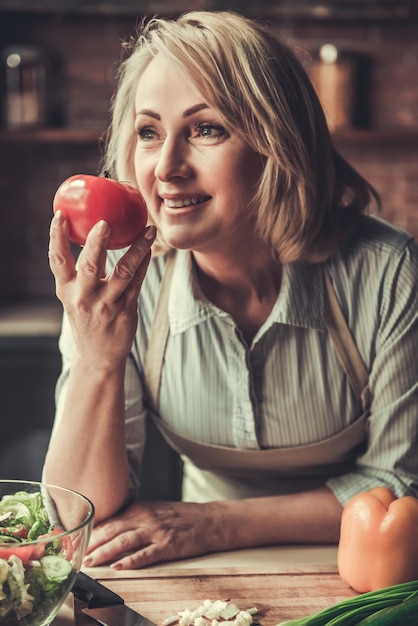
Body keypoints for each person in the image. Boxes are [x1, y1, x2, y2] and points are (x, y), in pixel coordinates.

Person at [44, 10, 418, 570]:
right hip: (192, 569)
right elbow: (78, 518)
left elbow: (400, 484)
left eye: (206, 129)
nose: (166, 168)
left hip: (363, 569)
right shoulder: (120, 286)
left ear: (277, 145)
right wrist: (98, 353)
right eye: (149, 132)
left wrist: (214, 523)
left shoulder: (388, 272)